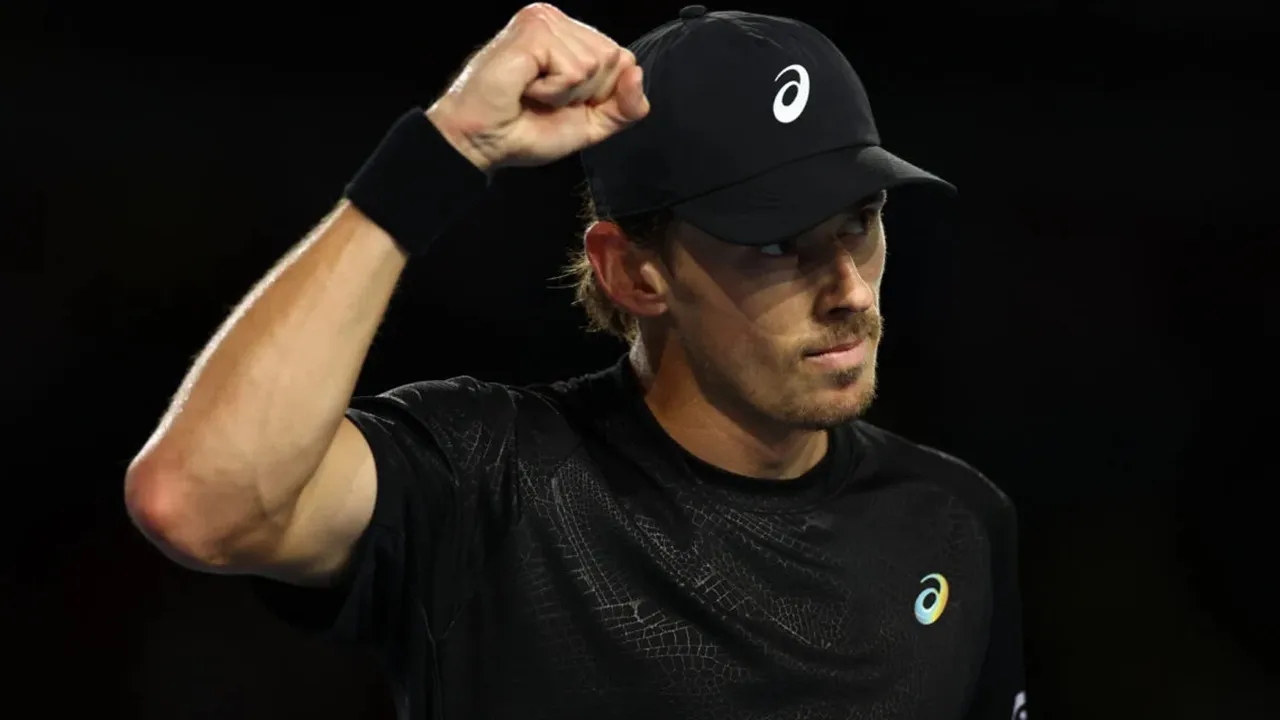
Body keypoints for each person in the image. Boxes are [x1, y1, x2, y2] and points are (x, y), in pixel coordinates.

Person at [124, 4, 1027, 719]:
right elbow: (196, 500)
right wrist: (444, 150)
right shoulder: (488, 480)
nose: (850, 290)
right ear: (633, 271)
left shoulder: (956, 521)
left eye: (861, 223)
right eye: (777, 243)